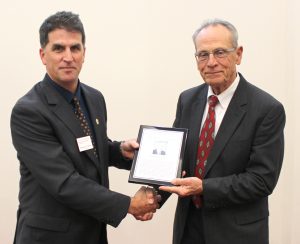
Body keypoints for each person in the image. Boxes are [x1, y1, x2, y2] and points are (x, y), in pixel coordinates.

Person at [10, 11, 159, 244]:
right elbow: (64, 182)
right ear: (42, 55)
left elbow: (87, 149)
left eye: (75, 48)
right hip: (50, 237)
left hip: (91, 232)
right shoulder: (29, 111)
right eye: (58, 48)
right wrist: (128, 205)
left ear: (84, 53)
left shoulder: (93, 98)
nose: (68, 57)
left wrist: (119, 151)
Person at [159, 19, 285, 244]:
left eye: (220, 52)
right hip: (189, 229)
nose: (211, 62)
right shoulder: (187, 100)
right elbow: (176, 162)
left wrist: (204, 188)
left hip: (236, 234)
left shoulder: (266, 109)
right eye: (203, 55)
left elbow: (261, 180)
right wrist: (153, 198)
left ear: (238, 54)